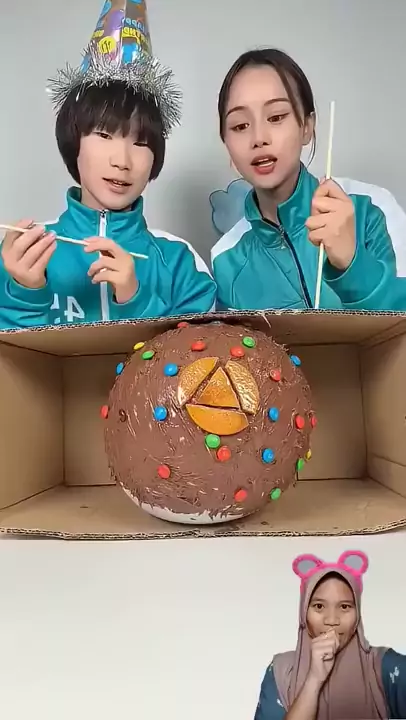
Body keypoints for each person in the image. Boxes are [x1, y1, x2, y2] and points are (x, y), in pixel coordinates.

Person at [0, 0, 216, 329]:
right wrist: (24, 293)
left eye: (140, 142)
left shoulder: (180, 263)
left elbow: (202, 355)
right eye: (103, 134)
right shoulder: (23, 253)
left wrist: (135, 300)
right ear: (74, 139)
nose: (122, 161)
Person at [211, 48, 406, 312]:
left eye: (276, 117)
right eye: (240, 126)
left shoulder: (371, 209)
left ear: (307, 126)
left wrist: (352, 265)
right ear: (227, 144)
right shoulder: (225, 259)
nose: (258, 138)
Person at [254, 551, 406, 719]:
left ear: (357, 614)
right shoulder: (281, 671)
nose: (332, 620)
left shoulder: (383, 666)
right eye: (319, 606)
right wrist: (313, 679)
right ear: (304, 612)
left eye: (345, 607)